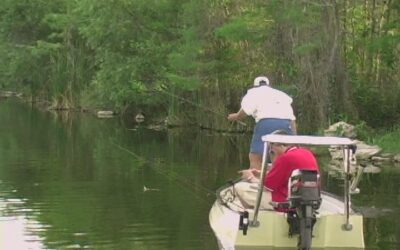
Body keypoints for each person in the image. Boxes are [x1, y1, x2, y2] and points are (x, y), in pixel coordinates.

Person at [227, 76, 297, 170]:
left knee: (256, 158)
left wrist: (235, 117)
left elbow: (245, 111)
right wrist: (295, 140)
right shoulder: (281, 95)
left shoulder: (253, 93)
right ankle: (278, 177)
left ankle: (256, 180)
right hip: (286, 124)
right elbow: (292, 119)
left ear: (255, 86)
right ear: (268, 85)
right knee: (282, 156)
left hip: (266, 123)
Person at [235, 136, 320, 210]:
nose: (271, 150)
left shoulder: (285, 158)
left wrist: (250, 177)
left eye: (273, 147)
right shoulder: (306, 152)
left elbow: (267, 187)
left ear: (282, 145)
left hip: (286, 202)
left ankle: (250, 215)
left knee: (239, 187)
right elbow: (285, 175)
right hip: (309, 198)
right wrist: (260, 173)